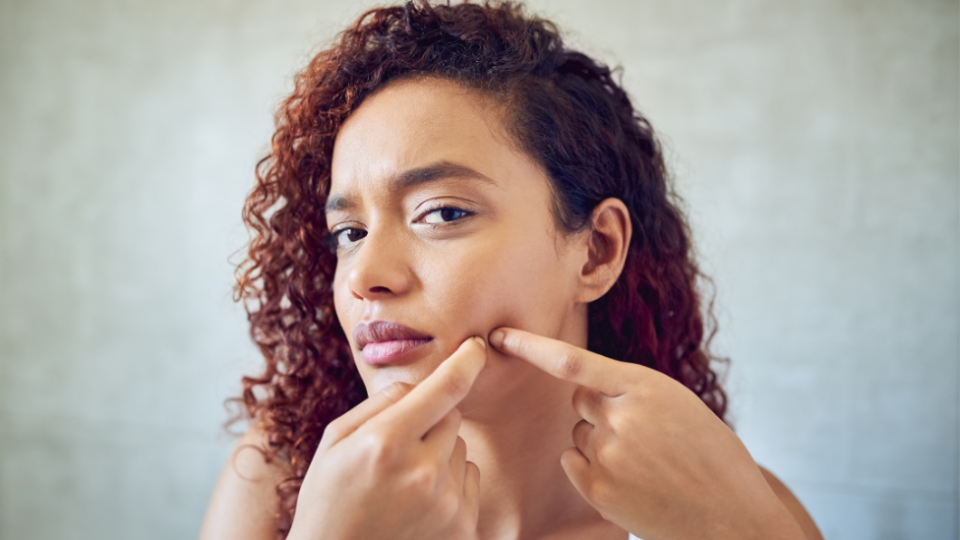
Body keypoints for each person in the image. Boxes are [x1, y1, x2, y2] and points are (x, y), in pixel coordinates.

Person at [199, 2, 824, 539]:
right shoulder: (279, 480)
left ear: (597, 250)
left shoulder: (726, 508)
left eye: (441, 213)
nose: (367, 275)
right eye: (350, 233)